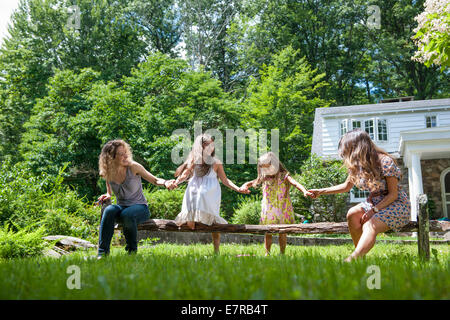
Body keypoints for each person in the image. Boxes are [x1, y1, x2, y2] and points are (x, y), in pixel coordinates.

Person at [308, 129, 411, 262]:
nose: (346, 155)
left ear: (357, 147)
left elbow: (393, 195)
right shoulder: (359, 166)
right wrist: (320, 191)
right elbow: (346, 187)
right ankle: (360, 257)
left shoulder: (385, 161)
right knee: (352, 213)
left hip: (395, 205)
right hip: (374, 204)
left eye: (347, 150)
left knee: (370, 224)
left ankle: (353, 259)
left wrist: (374, 211)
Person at [96, 139, 176, 258]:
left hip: (140, 208)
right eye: (121, 154)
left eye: (125, 152)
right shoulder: (108, 171)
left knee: (127, 214)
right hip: (121, 207)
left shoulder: (133, 167)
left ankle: (131, 252)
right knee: (109, 210)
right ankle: (102, 254)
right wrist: (108, 194)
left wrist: (166, 183)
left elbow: (154, 180)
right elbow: (109, 185)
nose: (125, 156)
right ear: (111, 157)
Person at [172, 133, 249, 254]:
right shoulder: (194, 160)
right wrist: (177, 181)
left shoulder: (216, 162)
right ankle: (191, 218)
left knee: (213, 221)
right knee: (193, 211)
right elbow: (183, 175)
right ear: (200, 147)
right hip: (194, 191)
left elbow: (225, 180)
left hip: (210, 193)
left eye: (212, 145)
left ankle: (216, 250)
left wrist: (238, 188)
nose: (211, 147)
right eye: (207, 145)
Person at [241, 152, 313, 256]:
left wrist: (304, 191)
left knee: (282, 232)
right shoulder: (264, 177)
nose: (266, 171)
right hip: (269, 209)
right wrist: (244, 186)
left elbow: (295, 183)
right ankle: (267, 253)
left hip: (282, 208)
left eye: (268, 168)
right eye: (264, 169)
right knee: (268, 232)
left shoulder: (283, 176)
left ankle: (282, 253)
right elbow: (251, 183)